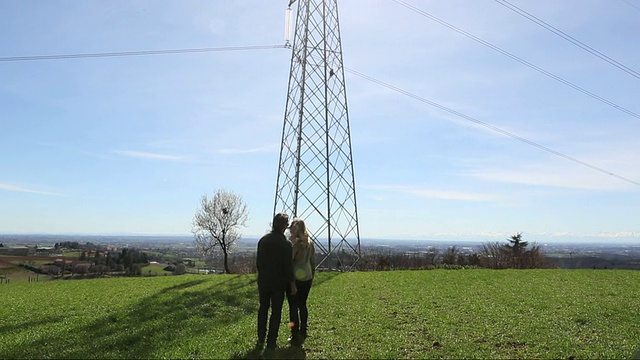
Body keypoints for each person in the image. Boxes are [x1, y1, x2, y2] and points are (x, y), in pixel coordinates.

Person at [256, 213, 297, 351]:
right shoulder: (286, 244)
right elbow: (288, 267)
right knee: (276, 311)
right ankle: (271, 341)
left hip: (263, 280)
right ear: (284, 226)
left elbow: (259, 263)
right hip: (278, 283)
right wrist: (292, 284)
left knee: (263, 308)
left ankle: (260, 337)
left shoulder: (263, 240)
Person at [286, 218, 316, 346]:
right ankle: (303, 331)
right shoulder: (309, 242)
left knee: (293, 307)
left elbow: (289, 261)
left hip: (295, 278)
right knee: (302, 305)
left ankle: (294, 333)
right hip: (307, 276)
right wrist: (312, 275)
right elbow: (313, 261)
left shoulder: (295, 244)